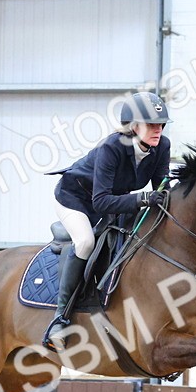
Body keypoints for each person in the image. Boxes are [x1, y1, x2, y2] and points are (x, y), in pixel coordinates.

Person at [43, 92, 173, 350]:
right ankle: (61, 319)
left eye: (161, 124)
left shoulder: (162, 147)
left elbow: (162, 187)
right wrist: (143, 198)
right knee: (85, 243)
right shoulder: (112, 147)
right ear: (133, 126)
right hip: (76, 199)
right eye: (151, 125)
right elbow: (100, 201)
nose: (157, 130)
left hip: (114, 200)